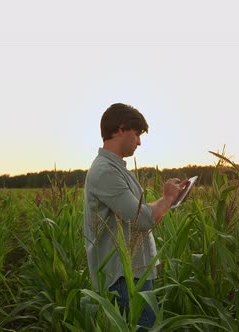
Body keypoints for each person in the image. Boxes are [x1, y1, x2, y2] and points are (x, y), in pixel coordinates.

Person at [83, 102, 186, 329]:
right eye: (137, 134)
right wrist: (167, 198)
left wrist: (170, 198)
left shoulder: (116, 169)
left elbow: (137, 210)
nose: (139, 141)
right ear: (121, 129)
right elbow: (143, 219)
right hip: (124, 278)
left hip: (134, 272)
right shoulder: (105, 171)